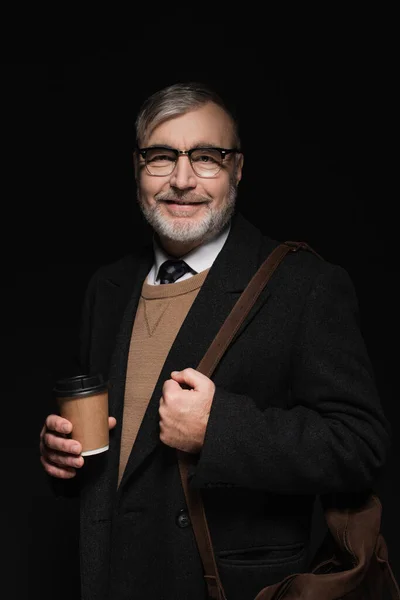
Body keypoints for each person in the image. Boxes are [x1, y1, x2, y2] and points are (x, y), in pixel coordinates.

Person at [39, 81, 391, 600]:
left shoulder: (304, 286)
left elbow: (361, 447)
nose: (182, 180)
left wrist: (220, 428)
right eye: (161, 157)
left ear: (238, 170)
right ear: (137, 168)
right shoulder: (107, 287)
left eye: (206, 157)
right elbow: (113, 454)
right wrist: (61, 458)